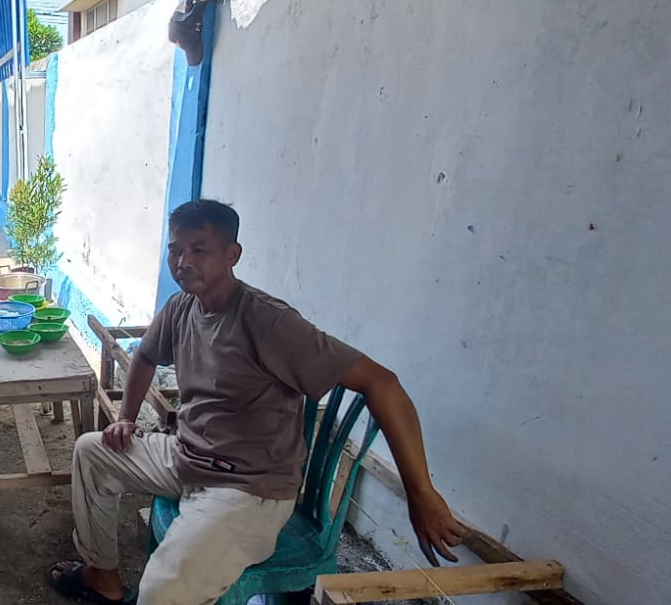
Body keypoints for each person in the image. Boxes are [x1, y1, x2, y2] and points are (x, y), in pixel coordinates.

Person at [47, 200, 467, 605]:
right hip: (186, 457)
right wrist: (125, 419)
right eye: (175, 250)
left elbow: (382, 383)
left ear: (232, 255)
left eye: (198, 250)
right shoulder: (181, 308)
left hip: (247, 489)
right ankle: (102, 578)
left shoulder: (269, 322)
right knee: (93, 450)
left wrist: (420, 491)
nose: (183, 262)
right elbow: (144, 356)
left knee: (161, 593)